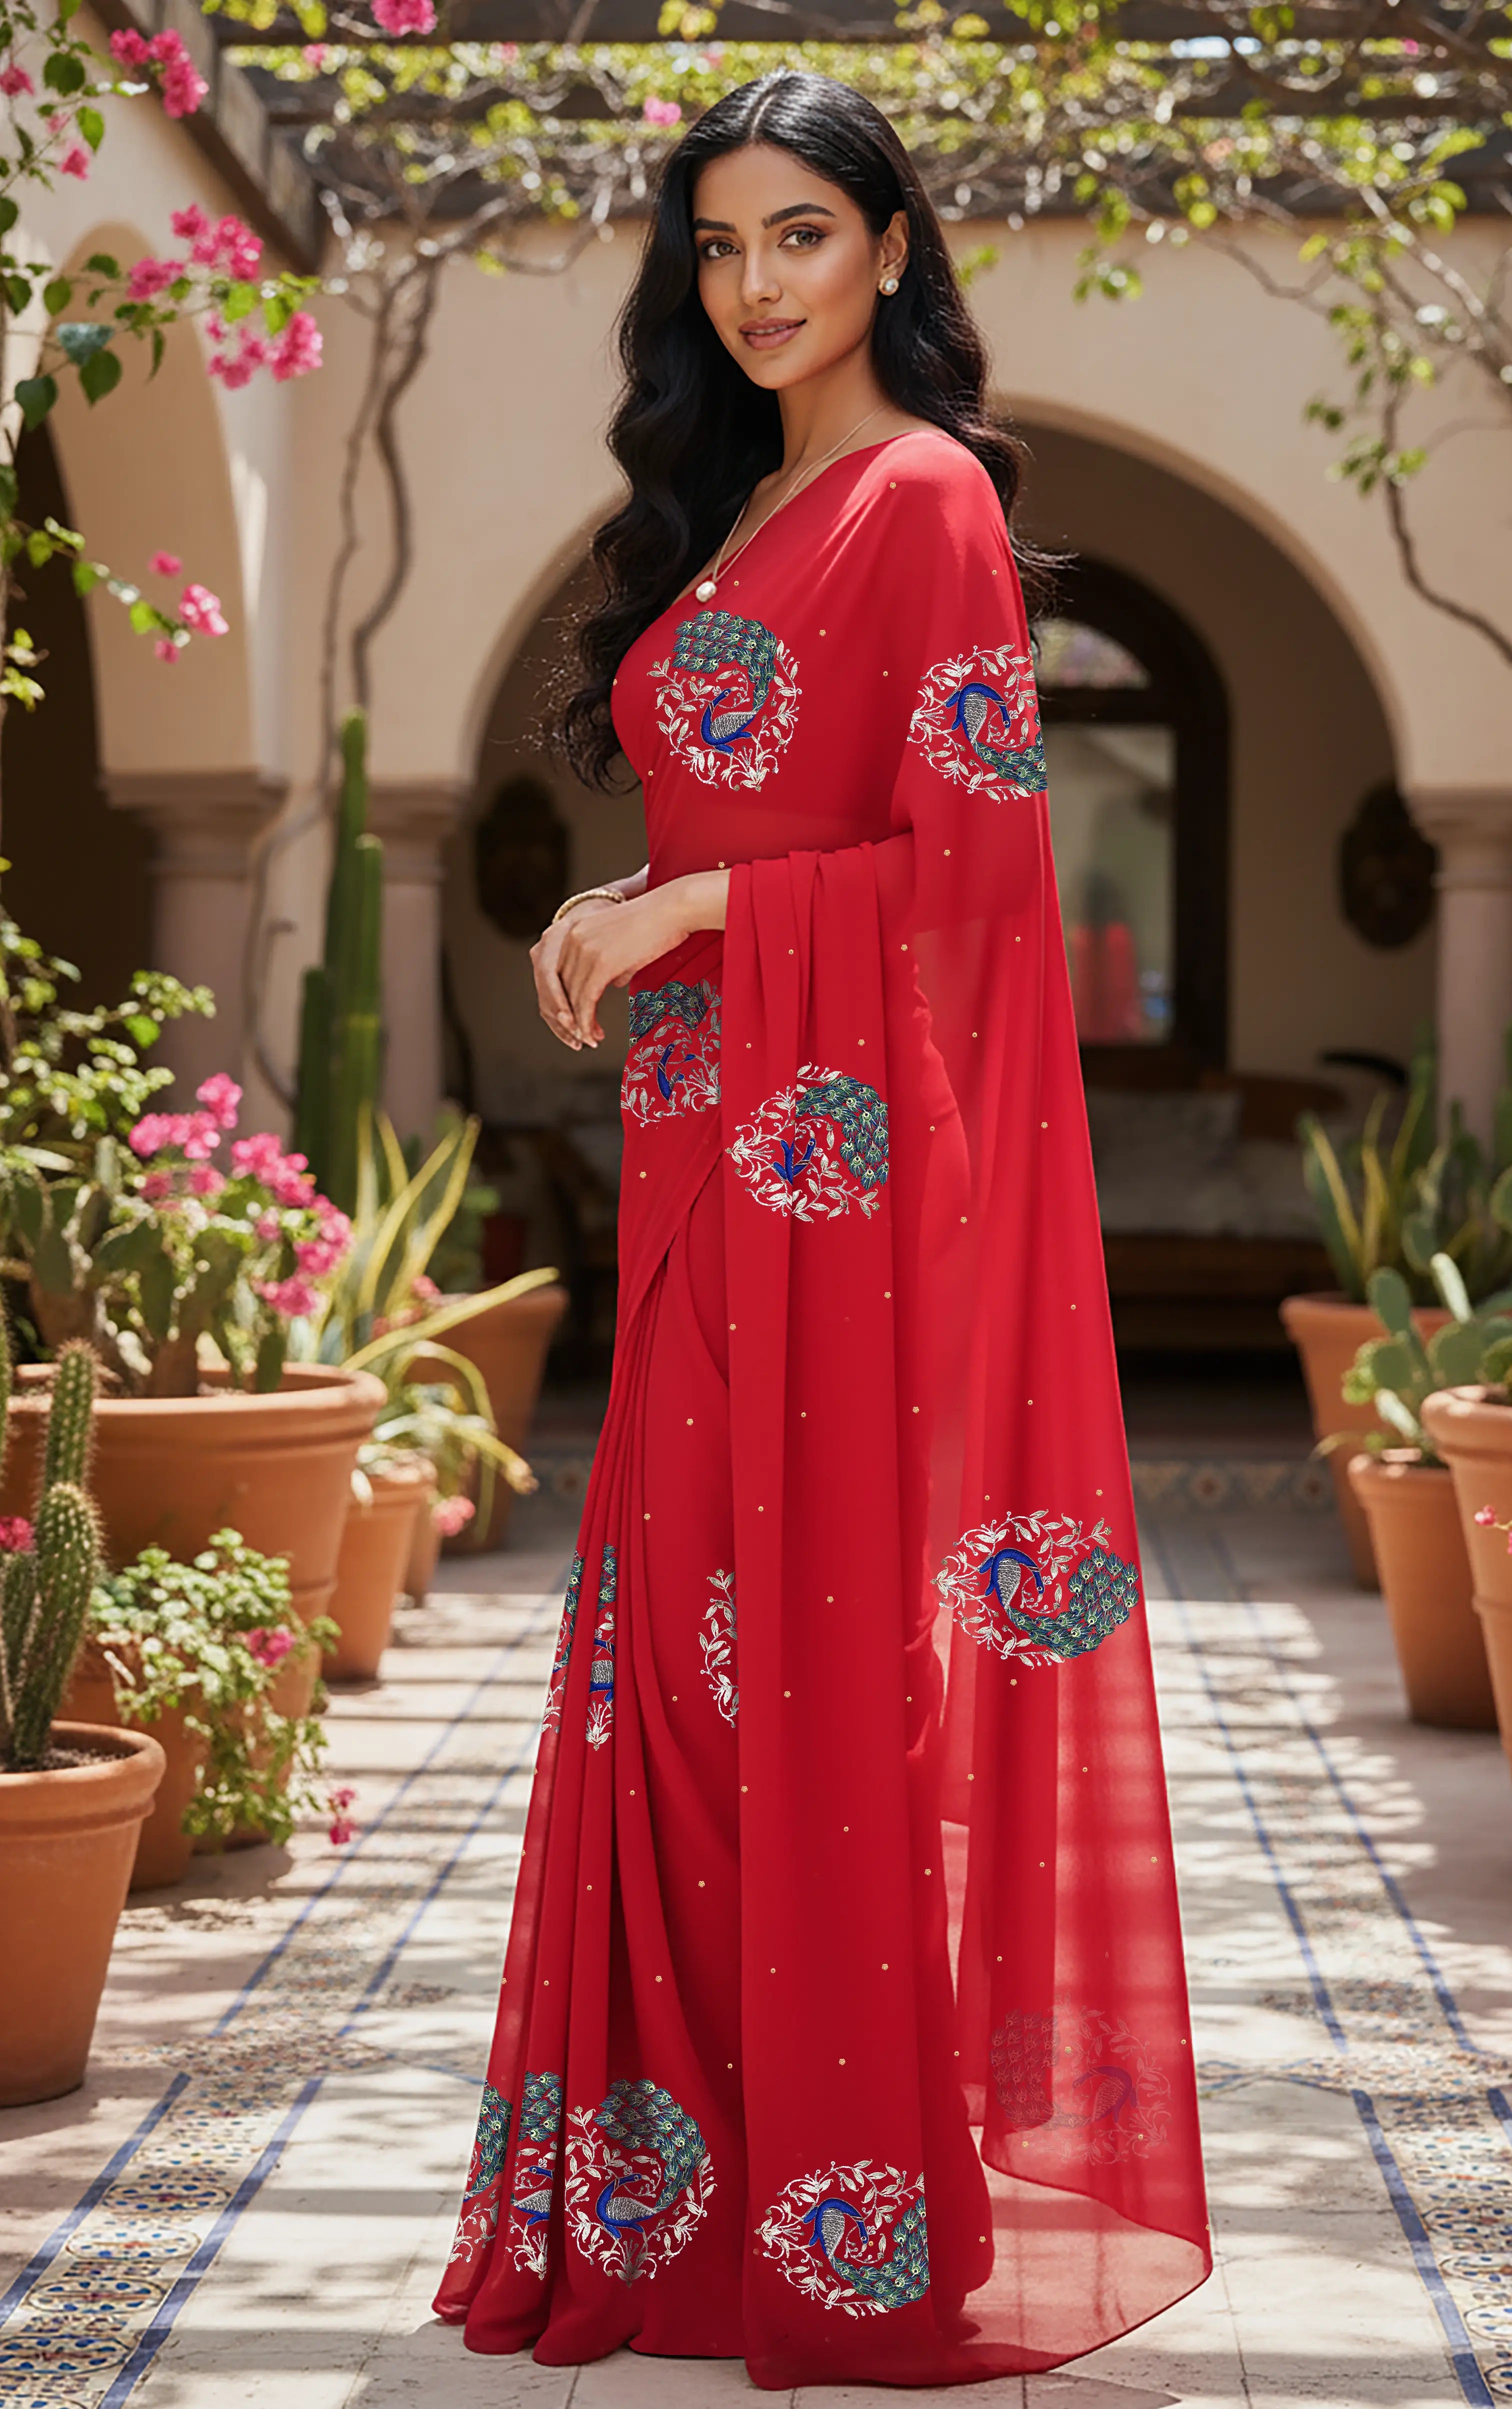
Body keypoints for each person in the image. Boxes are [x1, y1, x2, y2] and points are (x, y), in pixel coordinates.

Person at [433, 66, 1209, 2391]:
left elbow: (970, 894)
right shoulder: (739, 511)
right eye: (717, 245)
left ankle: (853, 2220)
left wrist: (683, 910)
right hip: (704, 1163)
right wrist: (660, 920)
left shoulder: (922, 500)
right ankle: (682, 2195)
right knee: (667, 1675)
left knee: (801, 1682)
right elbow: (773, 837)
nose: (754, 283)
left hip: (834, 1201)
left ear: (889, 244)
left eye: (798, 234)